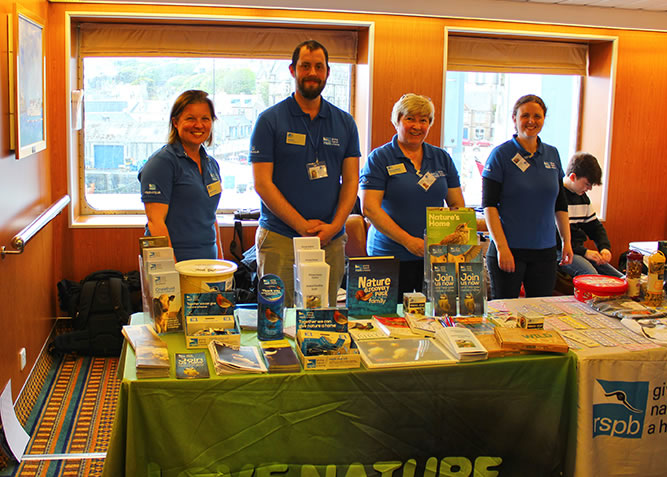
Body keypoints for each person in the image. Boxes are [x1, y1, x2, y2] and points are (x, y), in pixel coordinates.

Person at [250, 40, 360, 307]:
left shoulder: (344, 122)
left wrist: (334, 227)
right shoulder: (270, 120)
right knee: (278, 319)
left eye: (319, 67)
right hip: (280, 238)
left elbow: (351, 183)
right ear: (292, 70)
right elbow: (262, 184)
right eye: (305, 66)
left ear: (327, 72)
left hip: (329, 239)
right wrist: (302, 227)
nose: (312, 72)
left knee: (324, 317)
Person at [360, 93, 465, 299]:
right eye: (410, 119)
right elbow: (369, 208)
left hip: (434, 257)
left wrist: (453, 246)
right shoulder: (380, 158)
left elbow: (457, 205)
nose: (417, 126)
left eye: (423, 120)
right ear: (397, 121)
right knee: (391, 321)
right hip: (389, 255)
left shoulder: (441, 158)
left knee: (431, 319)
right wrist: (409, 241)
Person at [481, 94, 573, 299]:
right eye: (525, 116)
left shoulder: (553, 154)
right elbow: (489, 205)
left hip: (545, 251)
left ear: (543, 119)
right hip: (509, 249)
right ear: (514, 118)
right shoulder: (500, 155)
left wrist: (567, 241)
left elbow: (560, 202)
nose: (531, 121)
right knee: (505, 314)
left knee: (539, 313)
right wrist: (502, 247)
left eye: (537, 116)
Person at [139, 90, 223, 263]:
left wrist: (221, 264)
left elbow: (210, 216)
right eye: (191, 118)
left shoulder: (211, 164)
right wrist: (172, 271)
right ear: (176, 122)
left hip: (207, 262)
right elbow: (156, 223)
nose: (199, 125)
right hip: (175, 260)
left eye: (205, 119)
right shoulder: (162, 163)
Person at [558, 152, 622, 277]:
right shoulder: (557, 194)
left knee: (619, 277)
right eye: (587, 184)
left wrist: (604, 248)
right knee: (591, 275)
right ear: (572, 177)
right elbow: (555, 237)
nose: (589, 189)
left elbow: (595, 227)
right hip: (561, 251)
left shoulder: (583, 199)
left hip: (578, 250)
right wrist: (584, 252)